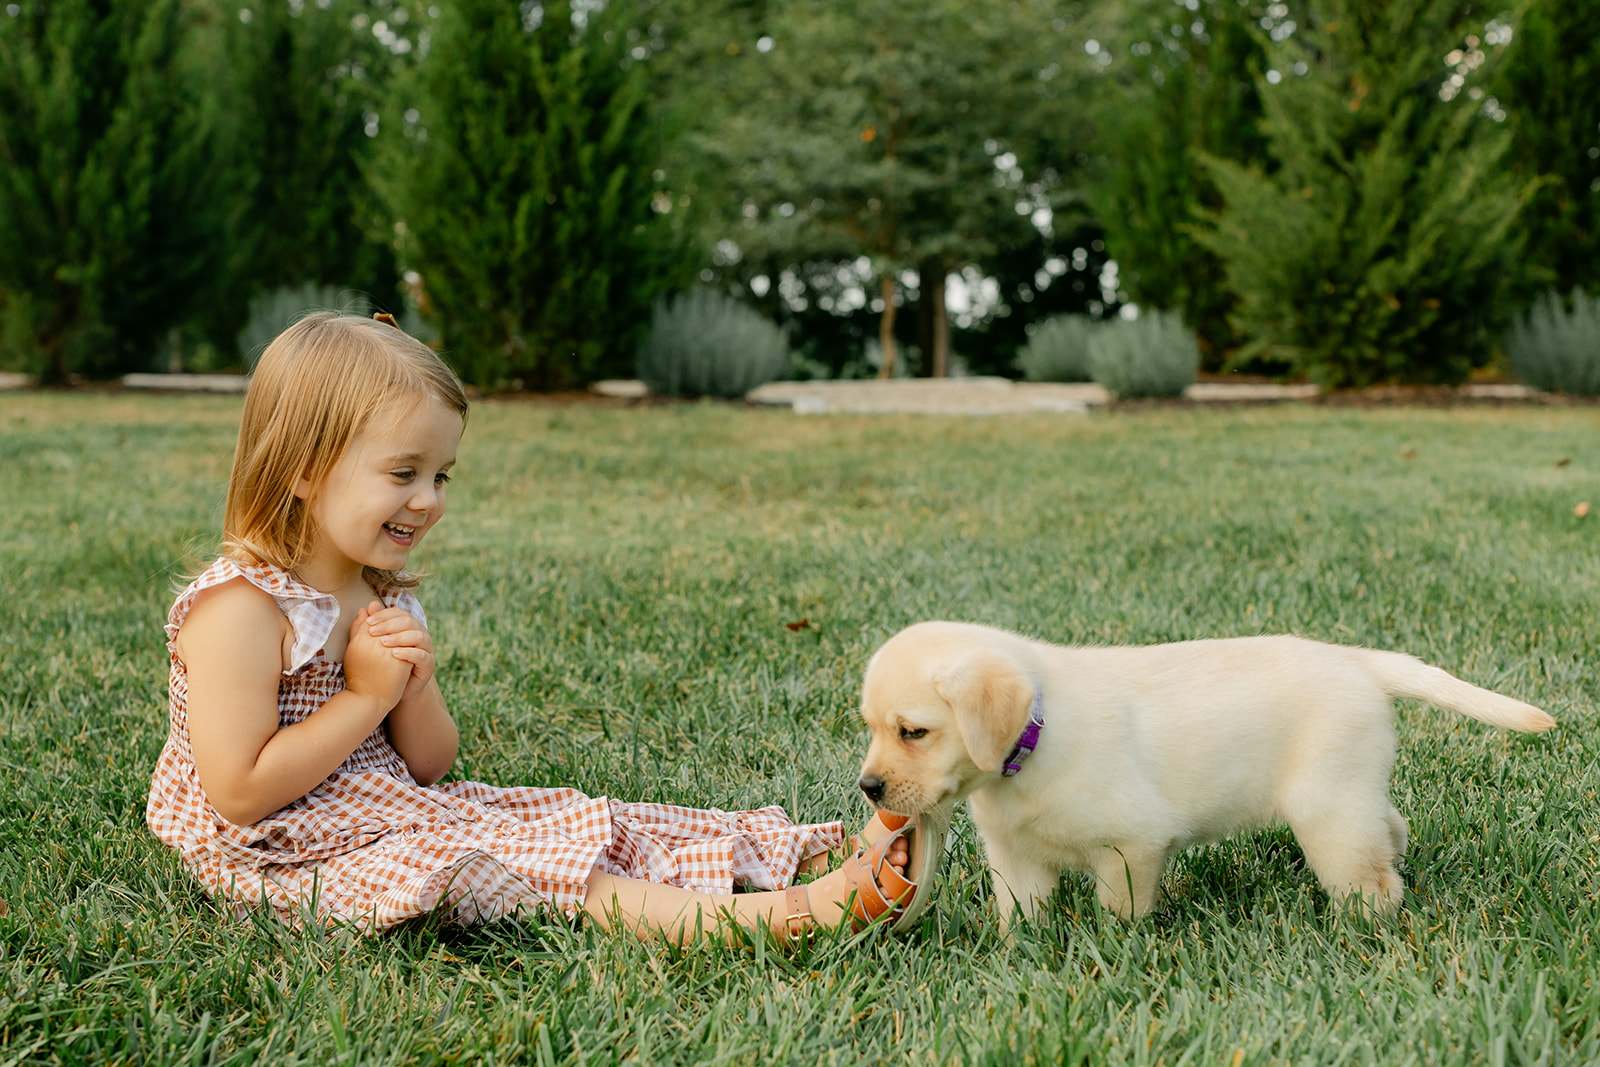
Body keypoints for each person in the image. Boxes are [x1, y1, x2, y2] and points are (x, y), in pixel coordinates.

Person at [145, 311, 939, 943]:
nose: (428, 499)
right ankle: (793, 915)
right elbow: (240, 793)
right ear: (304, 468)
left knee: (564, 815)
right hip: (281, 855)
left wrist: (408, 687)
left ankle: (809, 850)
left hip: (381, 806)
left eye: (440, 475)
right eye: (402, 473)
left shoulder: (377, 596)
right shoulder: (241, 609)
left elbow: (428, 765)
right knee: (508, 859)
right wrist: (360, 697)